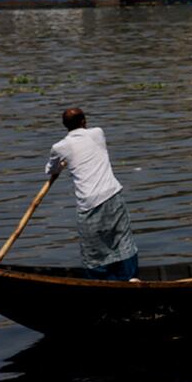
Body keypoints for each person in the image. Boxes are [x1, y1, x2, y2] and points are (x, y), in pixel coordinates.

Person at [45, 107, 139, 280]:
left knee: (93, 248)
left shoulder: (59, 147)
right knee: (122, 239)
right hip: (113, 194)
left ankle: (103, 281)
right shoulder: (97, 133)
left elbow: (52, 169)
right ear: (84, 122)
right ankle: (130, 277)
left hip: (89, 203)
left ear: (65, 126)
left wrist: (63, 161)